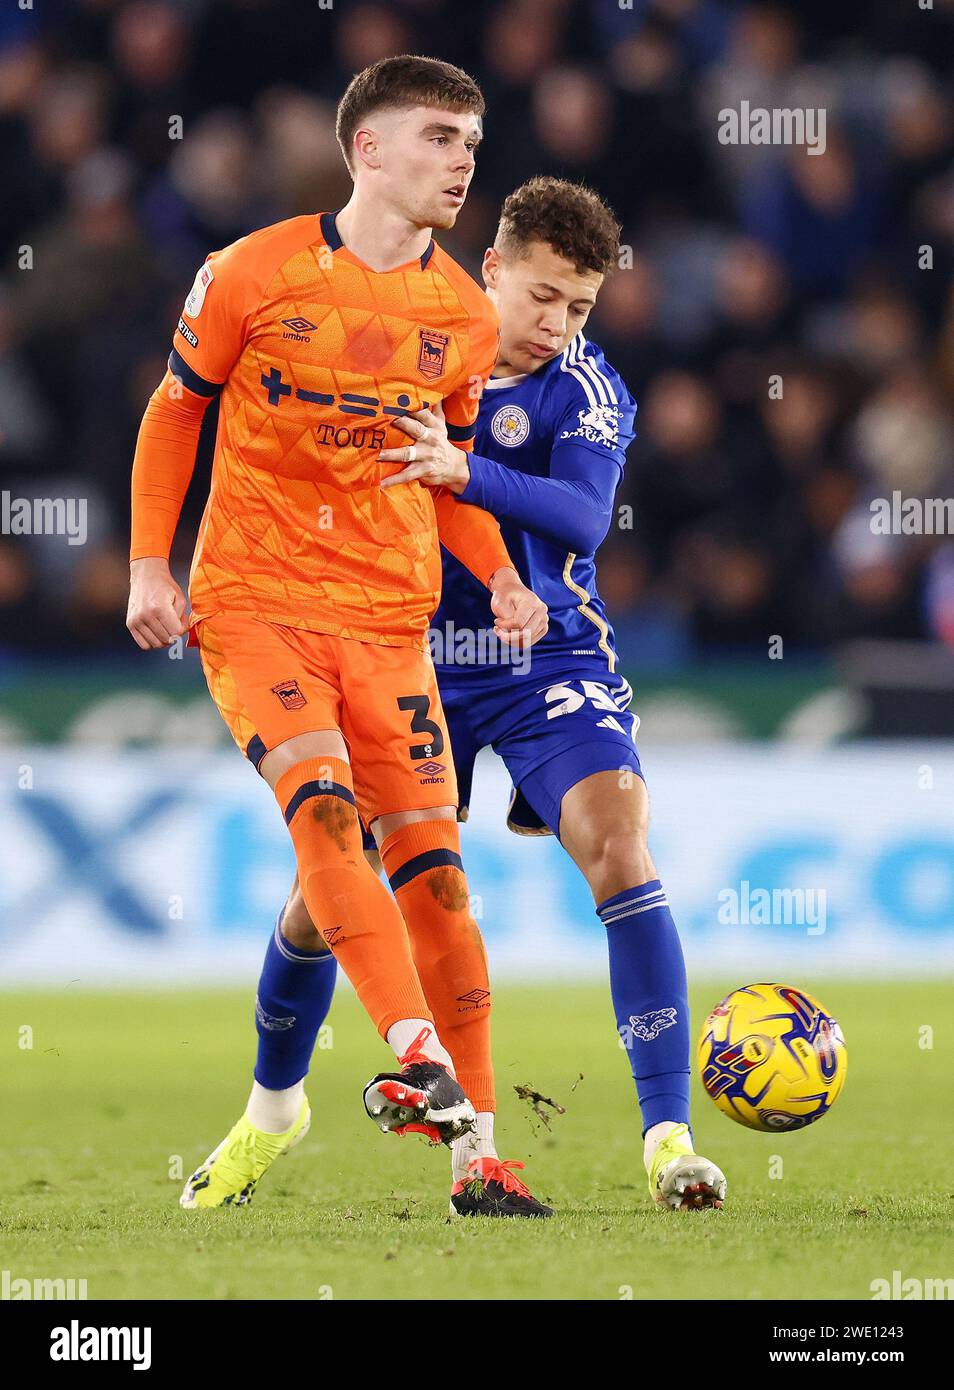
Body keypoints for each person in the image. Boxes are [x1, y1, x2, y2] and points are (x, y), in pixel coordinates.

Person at [240, 176, 729, 1214]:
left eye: (582, 307)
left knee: (621, 849)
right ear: (491, 269)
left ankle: (669, 1139)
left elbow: (583, 519)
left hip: (546, 662)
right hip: (406, 661)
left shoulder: (587, 387)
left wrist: (459, 470)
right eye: (544, 298)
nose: (560, 326)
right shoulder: (407, 348)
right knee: (322, 908)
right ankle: (273, 1103)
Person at [126, 55, 551, 1217]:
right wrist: (146, 564)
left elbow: (447, 474)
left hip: (389, 622)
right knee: (321, 811)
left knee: (438, 885)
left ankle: (478, 1161)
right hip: (256, 602)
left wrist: (505, 582)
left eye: (472, 139)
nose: (463, 160)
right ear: (366, 148)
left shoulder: (463, 316)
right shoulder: (250, 271)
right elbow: (178, 413)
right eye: (439, 137)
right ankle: (414, 1055)